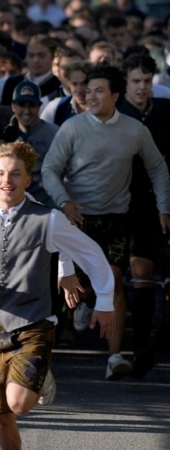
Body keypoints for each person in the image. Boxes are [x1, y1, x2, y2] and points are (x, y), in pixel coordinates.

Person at [0, 141, 115, 450]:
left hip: (33, 325)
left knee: (19, 404)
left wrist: (105, 301)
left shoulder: (49, 220)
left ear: (28, 179)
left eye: (15, 174)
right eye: (0, 173)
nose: (6, 181)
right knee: (0, 416)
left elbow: (91, 254)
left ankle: (39, 374)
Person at [42, 65, 170, 381]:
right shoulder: (71, 128)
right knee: (73, 287)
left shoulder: (135, 130)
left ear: (115, 95)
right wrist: (64, 202)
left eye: (100, 90)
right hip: (76, 217)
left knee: (111, 279)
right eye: (89, 90)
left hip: (115, 217)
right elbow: (49, 170)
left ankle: (115, 357)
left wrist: (164, 208)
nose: (91, 95)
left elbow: (158, 168)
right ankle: (46, 350)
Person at [117, 53, 170, 378]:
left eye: (147, 82)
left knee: (144, 273)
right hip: (115, 204)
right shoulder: (115, 114)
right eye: (136, 81)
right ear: (125, 83)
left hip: (151, 207)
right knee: (114, 279)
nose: (142, 88)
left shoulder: (164, 113)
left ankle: (141, 349)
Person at [0, 80, 59, 208]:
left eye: (31, 105)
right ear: (13, 106)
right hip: (14, 204)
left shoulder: (54, 133)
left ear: (39, 106)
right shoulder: (3, 136)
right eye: (22, 105)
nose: (26, 111)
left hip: (48, 204)